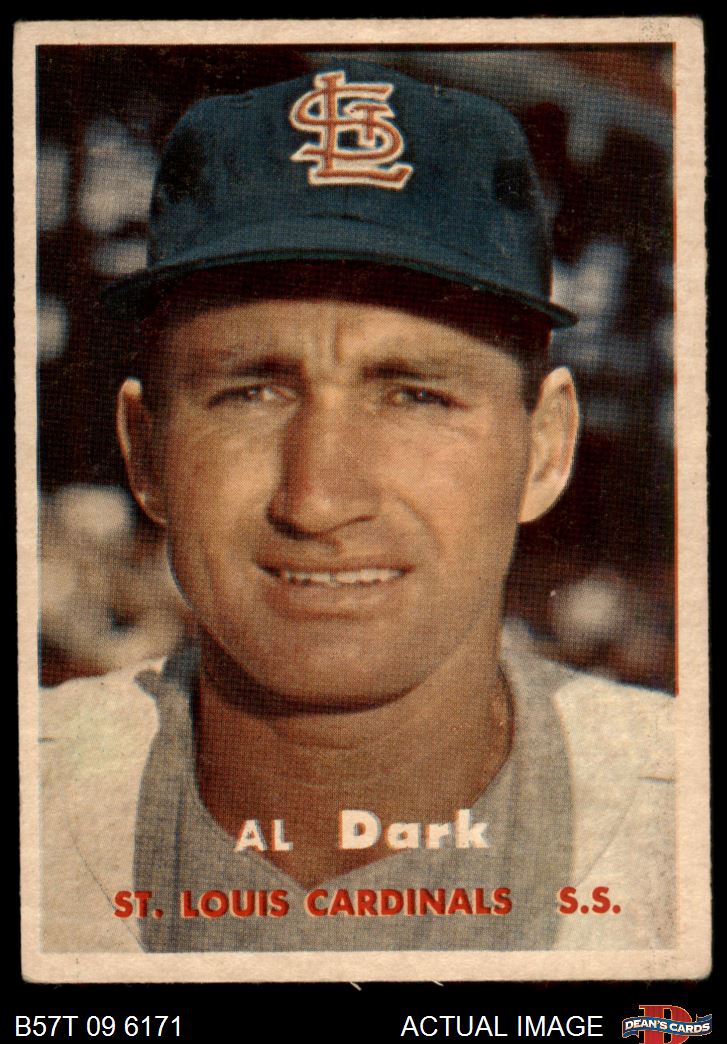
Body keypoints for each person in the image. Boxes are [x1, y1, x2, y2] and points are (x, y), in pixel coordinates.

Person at [40, 61, 674, 954]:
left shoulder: (680, 818)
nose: (317, 500)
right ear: (146, 455)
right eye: (249, 392)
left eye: (415, 394)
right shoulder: (41, 796)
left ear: (544, 449)